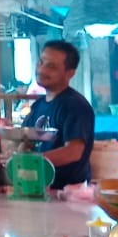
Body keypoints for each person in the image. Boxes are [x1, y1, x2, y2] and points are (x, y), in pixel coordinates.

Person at [24, 40, 95, 188]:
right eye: (41, 62)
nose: (42, 70)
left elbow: (73, 152)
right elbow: (26, 141)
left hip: (68, 192)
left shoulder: (75, 106)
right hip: (38, 187)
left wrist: (30, 161)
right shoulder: (38, 106)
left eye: (51, 66)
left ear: (70, 73)